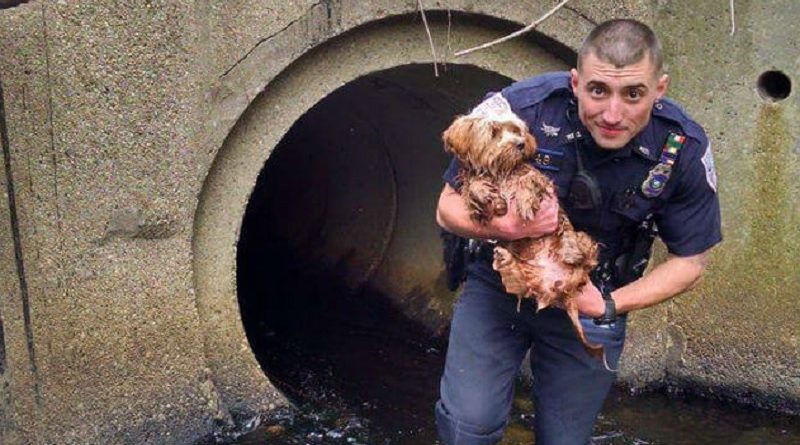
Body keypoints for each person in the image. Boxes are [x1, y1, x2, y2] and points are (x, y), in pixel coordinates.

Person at [434, 19, 722, 445]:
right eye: (598, 90)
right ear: (575, 82)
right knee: (468, 427)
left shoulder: (682, 148)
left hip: (592, 298)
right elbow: (446, 208)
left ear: (659, 89)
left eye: (633, 95)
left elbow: (690, 263)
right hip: (499, 286)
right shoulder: (520, 108)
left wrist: (606, 305)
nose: (612, 113)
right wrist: (507, 225)